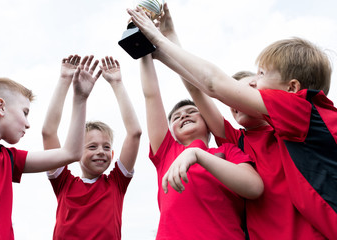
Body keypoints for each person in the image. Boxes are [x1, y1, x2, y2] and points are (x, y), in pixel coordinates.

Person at [128, 4, 337, 239]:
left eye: (259, 77)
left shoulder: (304, 112)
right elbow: (200, 90)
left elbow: (214, 85)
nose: (253, 85)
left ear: (292, 88)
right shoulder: (239, 143)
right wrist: (164, 42)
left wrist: (157, 37)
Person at [140, 33, 264, 239]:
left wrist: (199, 155)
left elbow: (254, 188)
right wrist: (141, 48)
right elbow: (151, 95)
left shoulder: (228, 150)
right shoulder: (167, 152)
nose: (184, 115)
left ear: (208, 122)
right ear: (172, 131)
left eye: (191, 111)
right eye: (176, 117)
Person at [0, 56, 97, 239]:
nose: (27, 124)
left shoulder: (8, 158)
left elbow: (71, 153)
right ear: (0, 107)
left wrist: (80, 98)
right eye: (25, 113)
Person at [42, 55, 141, 240]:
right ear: (77, 152)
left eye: (106, 147)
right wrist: (64, 81)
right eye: (92, 146)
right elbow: (48, 132)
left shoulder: (116, 183)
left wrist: (117, 83)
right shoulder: (63, 183)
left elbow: (134, 132)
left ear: (112, 153)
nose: (100, 152)